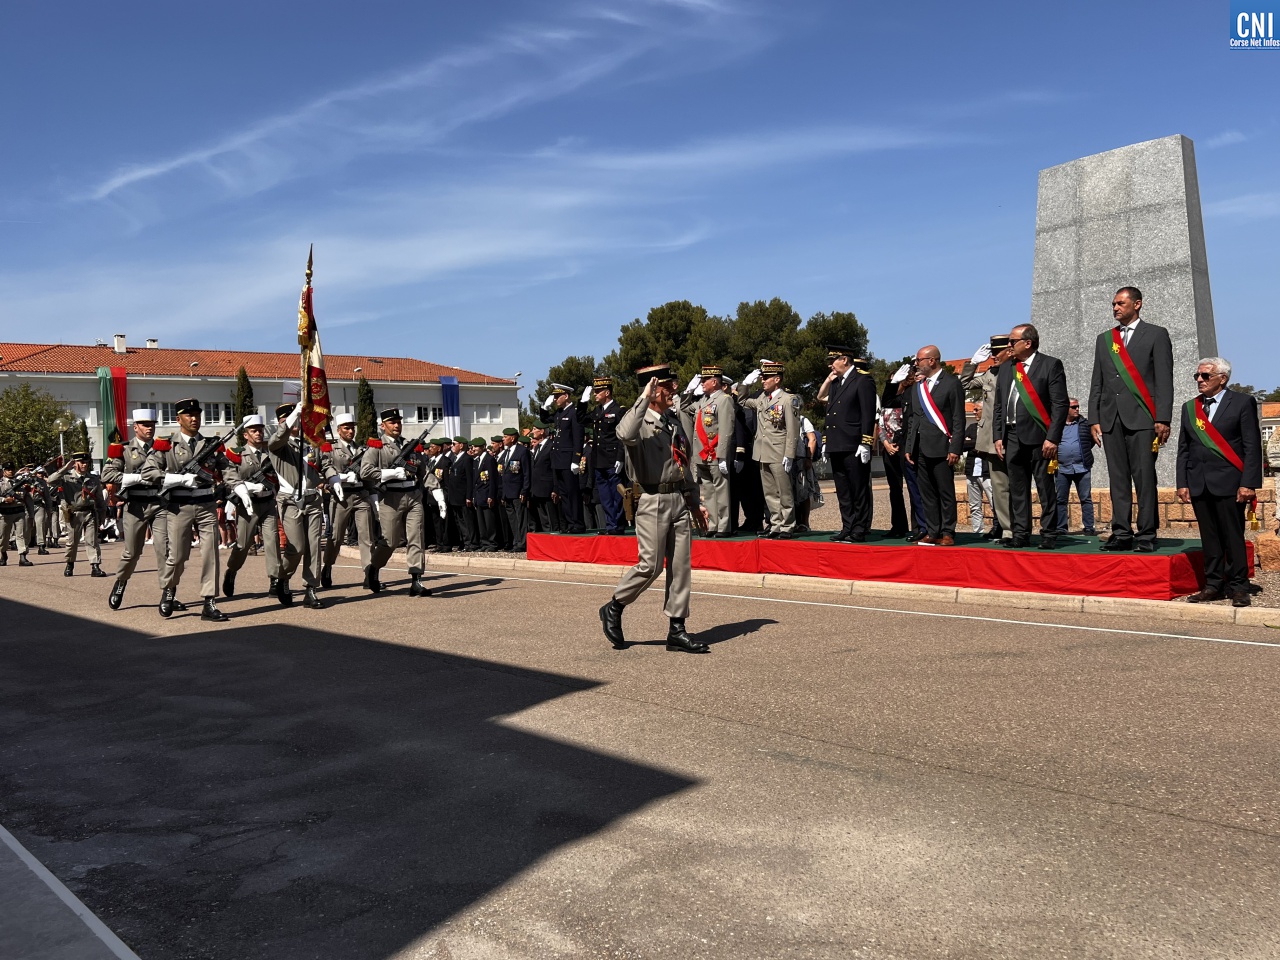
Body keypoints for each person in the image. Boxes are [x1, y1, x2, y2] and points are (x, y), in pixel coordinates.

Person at [599, 364, 710, 653]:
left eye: (674, 384)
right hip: (652, 499)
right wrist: (644, 398)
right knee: (650, 566)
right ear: (653, 390)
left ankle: (677, 629)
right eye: (668, 386)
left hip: (678, 500)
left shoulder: (673, 421)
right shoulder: (639, 421)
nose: (675, 389)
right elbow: (624, 434)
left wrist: (694, 502)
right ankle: (615, 606)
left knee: (680, 567)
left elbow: (682, 464)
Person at [1089, 286, 1174, 552]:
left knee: (1144, 477)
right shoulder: (1105, 339)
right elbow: (1097, 381)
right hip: (1111, 418)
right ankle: (1122, 532)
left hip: (1143, 418)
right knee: (1118, 479)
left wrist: (1163, 417)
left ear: (1137, 304)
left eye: (1120, 303)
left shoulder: (1156, 335)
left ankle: (1147, 533)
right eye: (1113, 304)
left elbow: (1164, 380)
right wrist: (1094, 418)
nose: (1115, 308)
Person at [1177, 357, 1262, 607]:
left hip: (1230, 483)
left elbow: (1251, 446)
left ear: (1222, 378)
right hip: (1199, 482)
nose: (1199, 380)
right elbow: (1184, 448)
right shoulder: (1190, 408)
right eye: (1197, 376)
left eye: (1205, 376)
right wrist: (1182, 482)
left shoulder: (1242, 402)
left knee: (1232, 536)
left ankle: (1238, 587)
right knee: (1210, 538)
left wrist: (1248, 483)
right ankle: (1213, 585)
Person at [142, 398, 231, 621]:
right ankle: (169, 590)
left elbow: (228, 469)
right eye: (189, 415)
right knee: (178, 556)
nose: (194, 419)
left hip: (206, 505)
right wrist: (176, 479)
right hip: (178, 506)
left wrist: (238, 486)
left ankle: (209, 602)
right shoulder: (166, 445)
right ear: (178, 419)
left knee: (210, 553)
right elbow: (148, 472)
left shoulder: (211, 445)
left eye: (197, 415)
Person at [992, 324, 1069, 549]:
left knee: (1045, 487)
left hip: (1040, 436)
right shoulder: (1006, 368)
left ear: (1027, 343)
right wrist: (998, 436)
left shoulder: (1050, 365)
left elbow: (1060, 404)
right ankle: (1020, 533)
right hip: (1011, 435)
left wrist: (1053, 438)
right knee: (1017, 488)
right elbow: (999, 405)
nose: (1008, 345)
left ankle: (1049, 534)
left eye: (1012, 341)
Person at [268, 403, 341, 609]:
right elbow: (277, 438)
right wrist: (293, 414)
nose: (293, 424)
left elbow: (325, 463)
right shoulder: (278, 446)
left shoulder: (311, 442)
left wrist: (333, 478)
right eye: (287, 420)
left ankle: (310, 589)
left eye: (296, 419)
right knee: (297, 547)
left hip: (312, 499)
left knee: (313, 545)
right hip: (290, 500)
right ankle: (283, 577)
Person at [102, 408, 172, 609]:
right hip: (135, 505)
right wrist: (139, 478)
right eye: (145, 425)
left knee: (165, 550)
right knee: (132, 552)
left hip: (160, 503)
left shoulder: (163, 448)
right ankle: (121, 582)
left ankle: (168, 592)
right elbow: (107, 475)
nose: (149, 428)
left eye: (152, 425)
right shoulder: (123, 449)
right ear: (135, 427)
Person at [360, 408, 432, 596]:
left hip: (413, 495)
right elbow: (365, 471)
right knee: (390, 541)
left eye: (398, 422)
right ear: (383, 426)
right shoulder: (376, 447)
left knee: (416, 537)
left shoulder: (410, 445)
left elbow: (424, 471)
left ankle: (416, 580)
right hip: (391, 497)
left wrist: (436, 489)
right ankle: (374, 568)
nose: (397, 425)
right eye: (392, 422)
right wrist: (388, 473)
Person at [903, 346, 966, 545]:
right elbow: (913, 419)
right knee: (927, 492)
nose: (916, 364)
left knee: (945, 491)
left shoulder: (951, 383)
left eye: (919, 360)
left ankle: (947, 532)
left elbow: (958, 419)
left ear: (932, 361)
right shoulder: (918, 387)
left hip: (941, 447)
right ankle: (933, 531)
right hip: (920, 447)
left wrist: (955, 448)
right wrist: (909, 447)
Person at [817, 346, 877, 542]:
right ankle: (847, 526)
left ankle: (859, 528)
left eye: (833, 361)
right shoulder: (837, 383)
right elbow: (829, 411)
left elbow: (868, 413)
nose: (830, 365)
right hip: (837, 443)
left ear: (844, 360)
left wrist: (865, 442)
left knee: (858, 488)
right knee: (843, 490)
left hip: (854, 444)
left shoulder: (862, 380)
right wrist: (826, 440)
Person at [220, 414, 282, 599]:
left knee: (272, 541)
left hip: (268, 503)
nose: (258, 433)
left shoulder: (270, 453)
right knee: (243, 544)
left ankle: (275, 580)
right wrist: (245, 487)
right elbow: (230, 476)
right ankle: (232, 571)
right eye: (254, 430)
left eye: (260, 430)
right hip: (248, 506)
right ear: (245, 435)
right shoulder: (237, 453)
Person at [961, 335, 1014, 541]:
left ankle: (1017, 527)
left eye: (997, 352)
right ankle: (1004, 527)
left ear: (1009, 351)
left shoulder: (1017, 371)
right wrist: (973, 363)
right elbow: (964, 383)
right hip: (991, 438)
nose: (993, 356)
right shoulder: (990, 373)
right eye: (991, 353)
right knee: (998, 487)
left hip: (1012, 435)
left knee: (1015, 485)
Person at [740, 362, 800, 539]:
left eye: (766, 378)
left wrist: (790, 454)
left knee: (784, 491)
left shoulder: (788, 400)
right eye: (762, 377)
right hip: (762, 451)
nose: (763, 380)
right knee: (770, 492)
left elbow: (793, 430)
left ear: (777, 379)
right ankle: (776, 524)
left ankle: (787, 525)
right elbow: (742, 401)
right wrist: (745, 384)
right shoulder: (762, 399)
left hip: (779, 452)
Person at [322, 412, 376, 586]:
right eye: (347, 428)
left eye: (352, 428)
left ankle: (369, 573)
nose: (351, 431)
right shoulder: (331, 448)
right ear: (339, 430)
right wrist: (342, 478)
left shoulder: (361, 449)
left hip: (361, 495)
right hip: (341, 497)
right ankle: (327, 566)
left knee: (367, 536)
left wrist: (373, 495)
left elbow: (367, 473)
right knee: (336, 537)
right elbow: (326, 467)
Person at [688, 365, 736, 537]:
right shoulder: (703, 400)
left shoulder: (724, 400)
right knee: (708, 491)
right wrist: (688, 391)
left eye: (704, 380)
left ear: (714, 382)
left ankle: (724, 526)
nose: (701, 383)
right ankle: (713, 525)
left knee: (721, 490)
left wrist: (722, 455)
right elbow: (684, 407)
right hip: (702, 452)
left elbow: (726, 429)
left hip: (715, 452)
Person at [48, 452, 107, 577]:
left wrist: (102, 514)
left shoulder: (93, 479)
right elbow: (50, 480)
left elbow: (99, 498)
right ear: (75, 463)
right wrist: (65, 468)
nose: (84, 465)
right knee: (72, 542)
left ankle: (95, 566)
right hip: (74, 513)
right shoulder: (67, 477)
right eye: (81, 462)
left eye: (86, 462)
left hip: (90, 512)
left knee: (92, 541)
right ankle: (70, 564)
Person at [583, 377, 628, 535]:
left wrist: (620, 457)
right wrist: (582, 402)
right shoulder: (597, 411)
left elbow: (623, 436)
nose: (595, 394)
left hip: (613, 458)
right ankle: (610, 525)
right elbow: (581, 419)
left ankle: (618, 525)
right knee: (604, 495)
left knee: (616, 494)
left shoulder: (619, 410)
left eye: (598, 391)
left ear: (607, 392)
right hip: (599, 459)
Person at [539, 384, 586, 533]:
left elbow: (578, 438)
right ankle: (570, 524)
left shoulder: (574, 412)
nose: (555, 399)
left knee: (572, 493)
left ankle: (578, 523)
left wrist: (576, 459)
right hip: (559, 460)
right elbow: (545, 420)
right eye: (554, 397)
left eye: (557, 396)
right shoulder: (559, 413)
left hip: (569, 459)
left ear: (566, 396)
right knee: (564, 494)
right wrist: (544, 408)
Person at [1054, 397, 1098, 536]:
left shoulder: (1084, 424)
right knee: (1061, 499)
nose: (1077, 409)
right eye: (1073, 407)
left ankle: (1089, 527)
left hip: (1082, 468)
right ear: (1065, 409)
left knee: (1085, 498)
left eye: (1077, 406)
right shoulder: (1057, 425)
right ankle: (1061, 528)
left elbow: (1089, 441)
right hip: (1062, 468)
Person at [497, 426, 531, 551]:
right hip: (507, 492)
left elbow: (526, 473)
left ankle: (522, 543)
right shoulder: (506, 452)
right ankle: (516, 542)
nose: (503, 439)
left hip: (518, 490)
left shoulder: (522, 451)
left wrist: (524, 490)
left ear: (512, 438)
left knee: (521, 518)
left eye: (505, 437)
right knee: (512, 519)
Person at [963, 403, 993, 535]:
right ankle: (978, 531)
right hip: (971, 472)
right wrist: (977, 447)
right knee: (974, 505)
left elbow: (989, 447)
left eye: (976, 410)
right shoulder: (971, 427)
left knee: (994, 503)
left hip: (987, 473)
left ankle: (999, 529)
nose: (974, 412)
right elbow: (963, 445)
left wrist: (972, 444)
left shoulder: (990, 428)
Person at [446, 436, 477, 550]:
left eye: (454, 444)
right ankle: (464, 541)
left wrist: (469, 496)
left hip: (463, 496)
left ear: (461, 445)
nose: (452, 446)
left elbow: (469, 479)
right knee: (459, 521)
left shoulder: (467, 459)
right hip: (455, 496)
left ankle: (471, 543)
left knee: (467, 521)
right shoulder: (455, 458)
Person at [470, 437, 501, 551]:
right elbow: (475, 481)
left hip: (487, 494)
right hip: (479, 495)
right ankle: (484, 543)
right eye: (473, 446)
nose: (474, 449)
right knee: (481, 522)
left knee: (489, 521)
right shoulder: (477, 461)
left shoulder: (489, 460)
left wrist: (491, 495)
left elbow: (493, 479)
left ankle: (492, 543)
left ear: (483, 447)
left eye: (476, 447)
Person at [0, 463, 34, 567]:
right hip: (5, 513)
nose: (10, 471)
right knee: (3, 537)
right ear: (4, 471)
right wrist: (4, 499)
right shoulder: (1, 483)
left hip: (19, 512)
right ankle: (3, 554)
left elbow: (28, 499)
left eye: (12, 469)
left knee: (21, 535)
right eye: (8, 469)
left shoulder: (20, 483)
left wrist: (31, 514)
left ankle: (23, 557)